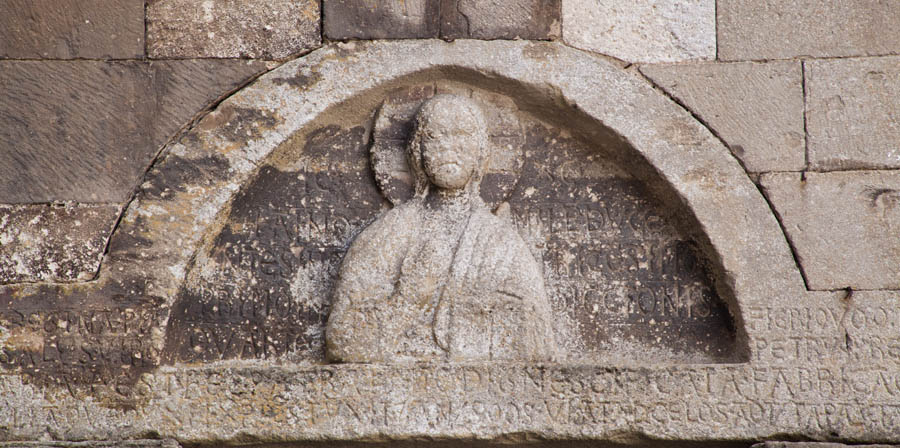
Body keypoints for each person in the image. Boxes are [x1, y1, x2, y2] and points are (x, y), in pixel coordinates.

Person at [326, 94, 557, 363]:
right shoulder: (389, 233)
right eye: (436, 136)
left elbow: (538, 341)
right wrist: (408, 300)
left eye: (462, 135)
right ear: (417, 151)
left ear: (481, 151)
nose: (450, 147)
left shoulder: (500, 241)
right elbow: (341, 339)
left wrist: (470, 309)